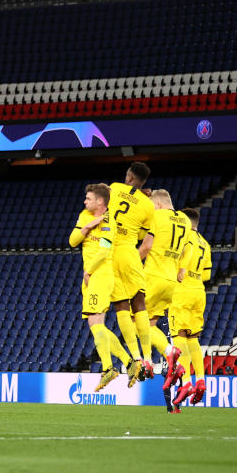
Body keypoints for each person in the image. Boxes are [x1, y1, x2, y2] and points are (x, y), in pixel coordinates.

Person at [69, 183, 133, 391]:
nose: (84, 201)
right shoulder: (84, 216)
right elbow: (72, 241)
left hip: (100, 274)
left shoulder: (109, 223)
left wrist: (89, 270)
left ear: (100, 202)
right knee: (95, 324)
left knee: (96, 322)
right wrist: (87, 227)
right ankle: (128, 363)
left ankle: (108, 368)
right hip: (91, 276)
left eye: (88, 199)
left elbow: (105, 250)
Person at [109, 161, 156, 385]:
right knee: (139, 303)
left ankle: (135, 358)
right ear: (143, 182)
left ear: (128, 177)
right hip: (129, 252)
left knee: (120, 305)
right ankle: (147, 358)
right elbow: (145, 241)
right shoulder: (148, 206)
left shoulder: (114, 188)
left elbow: (97, 192)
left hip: (108, 252)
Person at [137, 191, 191, 368]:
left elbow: (147, 245)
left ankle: (166, 352)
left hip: (152, 276)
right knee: (150, 325)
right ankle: (165, 359)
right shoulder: (185, 220)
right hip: (170, 281)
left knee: (136, 322)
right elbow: (185, 250)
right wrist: (181, 268)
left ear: (158, 204)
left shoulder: (157, 216)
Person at [167, 208, 212, 407]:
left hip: (182, 289)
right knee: (193, 338)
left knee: (179, 337)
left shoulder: (184, 237)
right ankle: (200, 379)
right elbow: (208, 275)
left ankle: (186, 382)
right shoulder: (205, 243)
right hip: (199, 291)